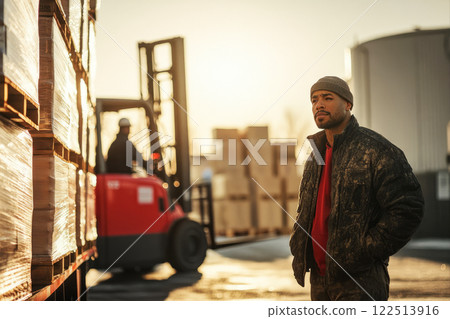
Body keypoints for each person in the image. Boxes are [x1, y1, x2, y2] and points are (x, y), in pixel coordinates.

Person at [289, 76, 424, 301]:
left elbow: (408, 207)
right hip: (320, 281)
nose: (318, 105)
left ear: (348, 104)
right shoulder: (314, 157)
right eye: (314, 100)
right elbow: (306, 212)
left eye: (327, 98)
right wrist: (299, 247)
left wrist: (365, 250)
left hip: (360, 282)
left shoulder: (375, 150)